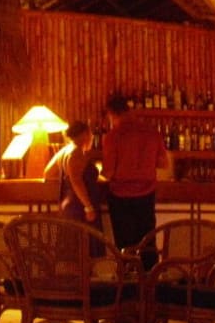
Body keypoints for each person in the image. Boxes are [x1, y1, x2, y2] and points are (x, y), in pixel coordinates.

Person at [102, 94, 169, 267]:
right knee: (148, 240)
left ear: (111, 114)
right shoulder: (152, 133)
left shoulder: (113, 136)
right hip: (147, 193)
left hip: (120, 195)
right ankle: (150, 277)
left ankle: (128, 277)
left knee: (125, 242)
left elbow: (108, 172)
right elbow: (164, 163)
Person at [44, 120, 104, 254]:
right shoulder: (76, 152)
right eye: (91, 134)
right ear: (85, 134)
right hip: (80, 206)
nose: (91, 137)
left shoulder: (64, 151)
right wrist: (88, 207)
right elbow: (76, 181)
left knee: (72, 250)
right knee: (84, 250)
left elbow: (48, 173)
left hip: (68, 204)